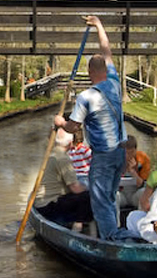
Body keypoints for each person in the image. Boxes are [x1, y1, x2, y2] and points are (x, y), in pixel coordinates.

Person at [54, 15, 137, 241]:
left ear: (90, 72)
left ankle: (112, 240)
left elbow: (73, 128)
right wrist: (99, 25)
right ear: (105, 70)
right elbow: (106, 49)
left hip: (103, 156)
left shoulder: (86, 96)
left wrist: (60, 122)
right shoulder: (114, 82)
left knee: (101, 202)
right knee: (110, 197)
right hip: (121, 152)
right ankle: (116, 233)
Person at [36, 129, 93, 229]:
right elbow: (75, 188)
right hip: (49, 206)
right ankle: (78, 226)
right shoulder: (63, 158)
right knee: (88, 197)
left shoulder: (51, 153)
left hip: (42, 203)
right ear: (70, 143)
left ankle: (77, 222)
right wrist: (94, 189)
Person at [118, 135, 151, 208]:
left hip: (135, 194)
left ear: (136, 150)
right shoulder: (114, 160)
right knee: (114, 196)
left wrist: (133, 172)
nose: (128, 156)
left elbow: (143, 184)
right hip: (121, 194)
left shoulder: (143, 158)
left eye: (131, 152)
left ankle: (141, 217)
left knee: (144, 192)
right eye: (126, 153)